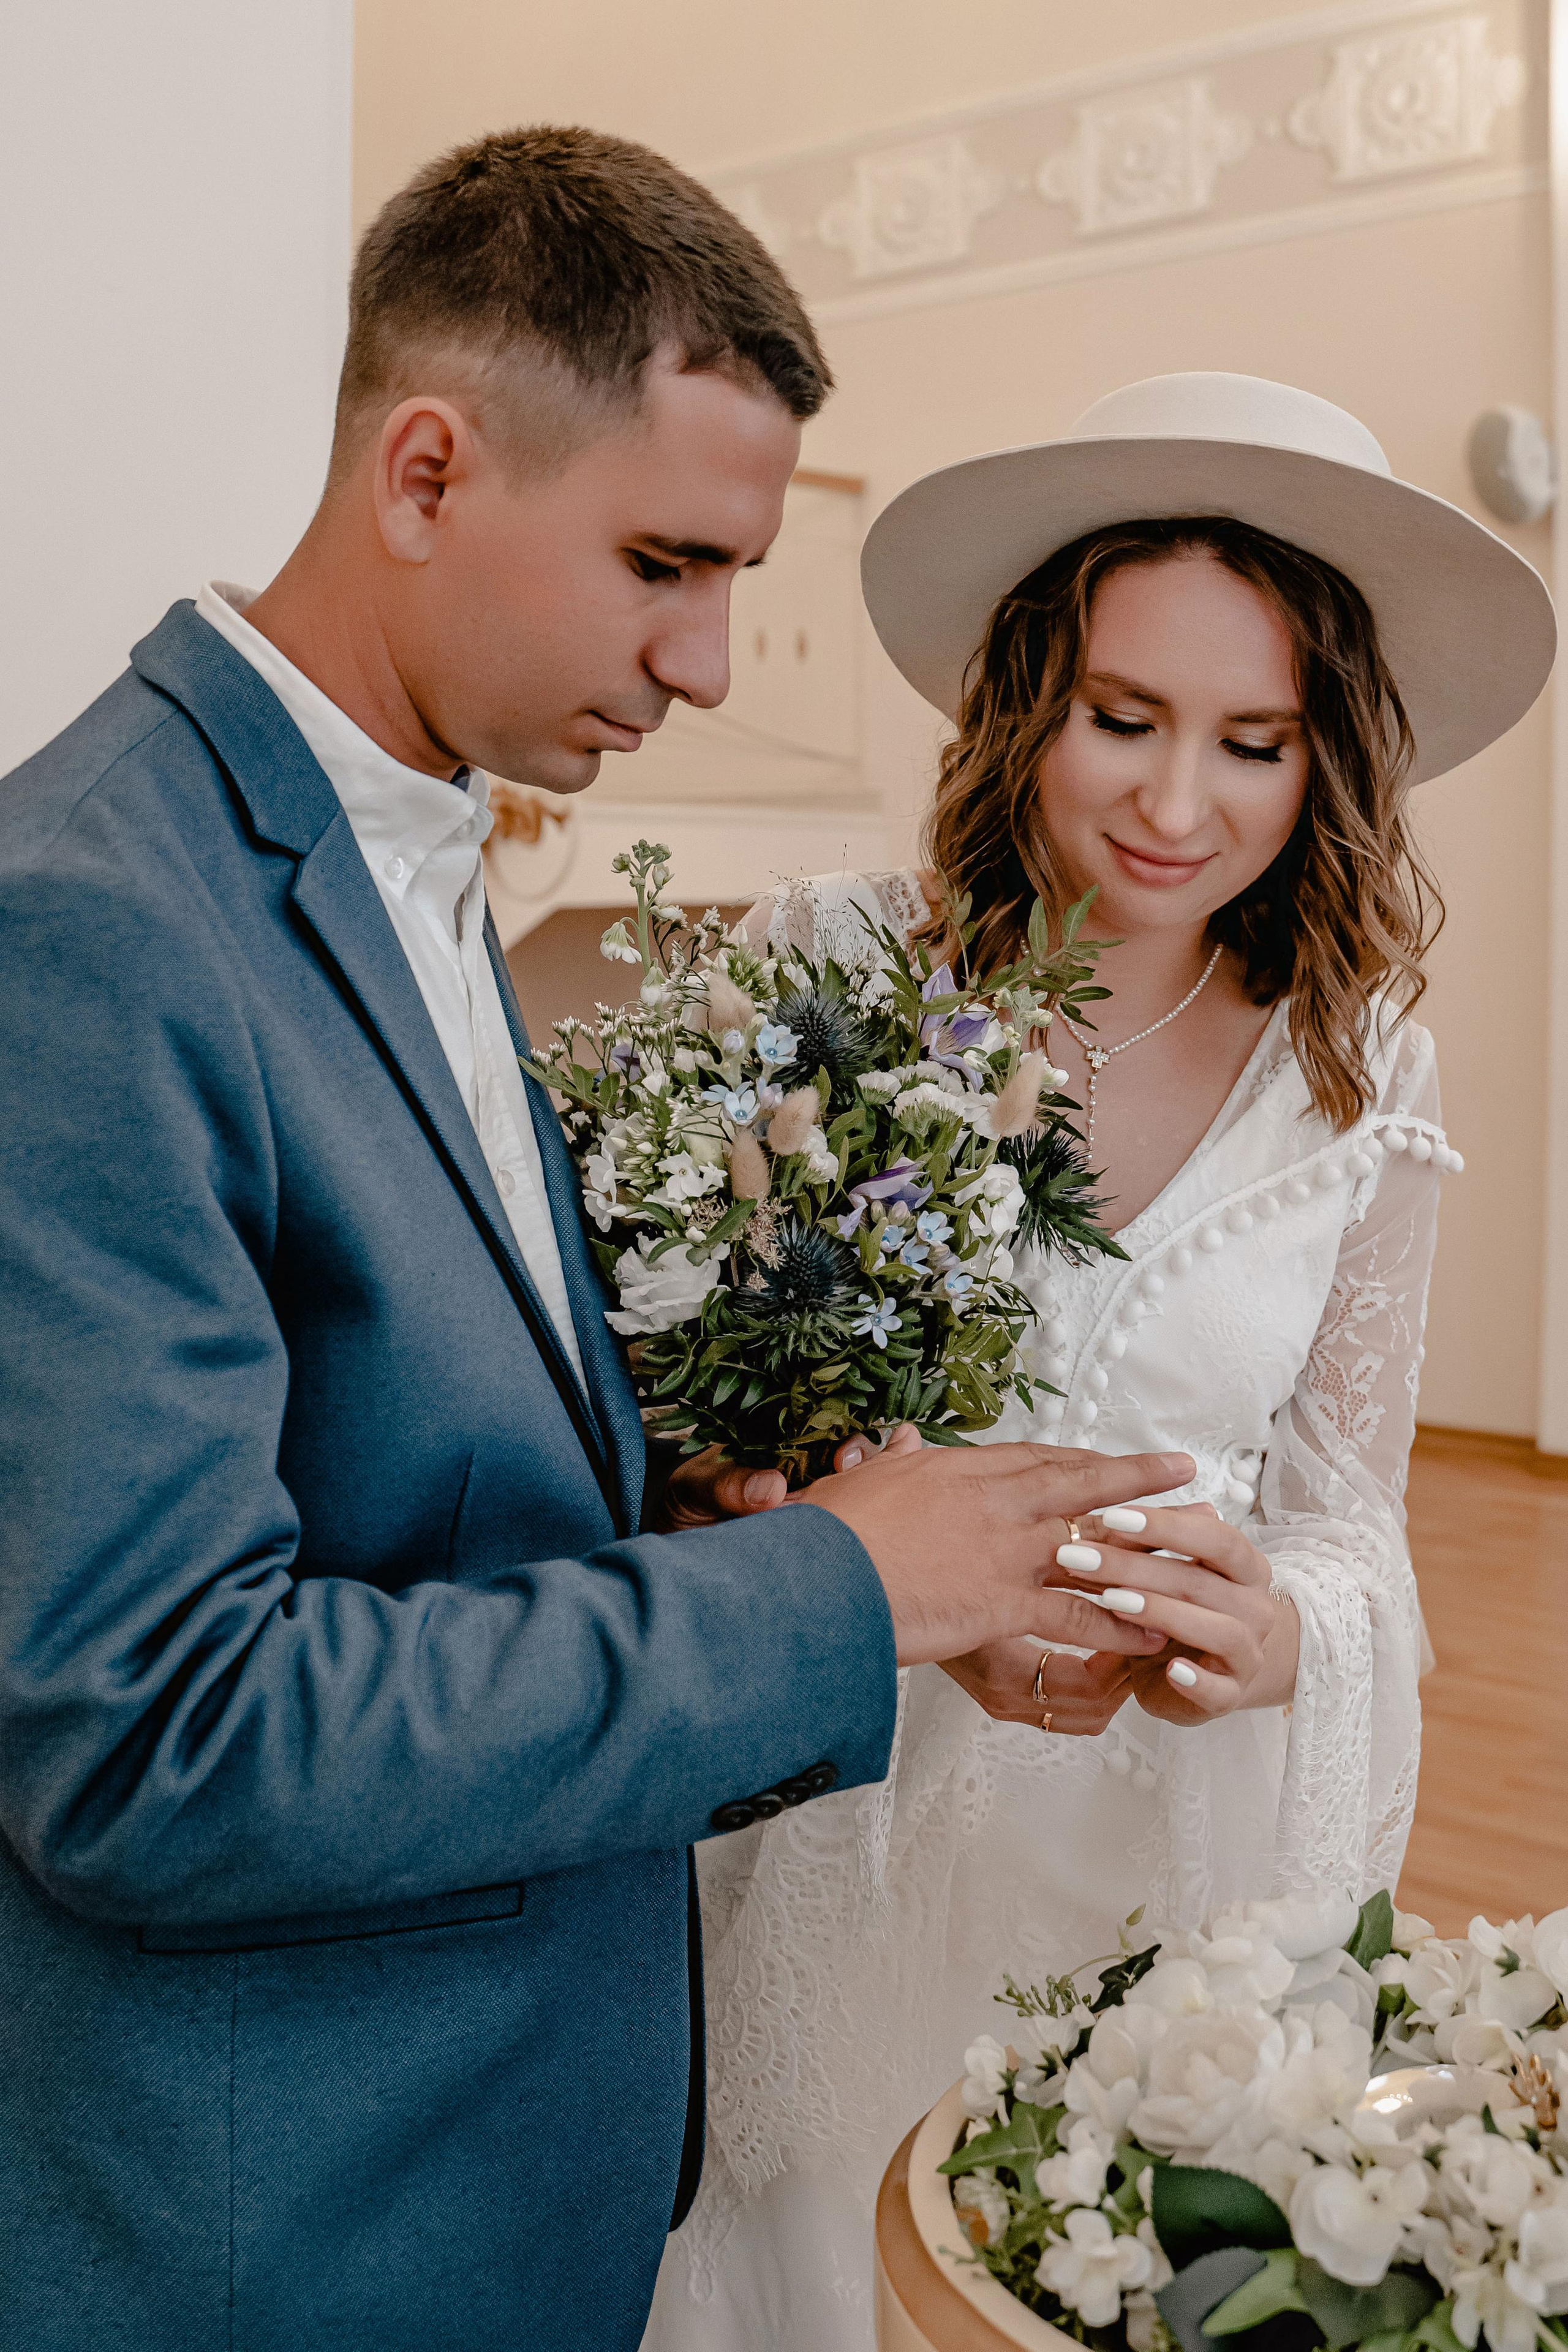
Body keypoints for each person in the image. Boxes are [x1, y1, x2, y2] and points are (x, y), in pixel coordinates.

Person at [0, 134, 1193, 2352]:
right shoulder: (83, 927)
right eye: (665, 562)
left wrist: (835, 1557)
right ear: (429, 472)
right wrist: (829, 1589)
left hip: (502, 2177)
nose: (718, 662)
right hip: (286, 2245)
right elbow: (159, 1744)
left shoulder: (415, 846)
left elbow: (415, 1494)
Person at [642, 372, 1555, 2351]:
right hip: (856, 1796)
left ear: (1332, 768)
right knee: (813, 2247)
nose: (1173, 804)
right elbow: (693, 1433)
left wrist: (1293, 1631)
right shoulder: (832, 967)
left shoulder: (1359, 1072)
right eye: (1123, 720)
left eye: (1254, 744)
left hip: (1169, 1827)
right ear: (1028, 700)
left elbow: (1352, 1529)